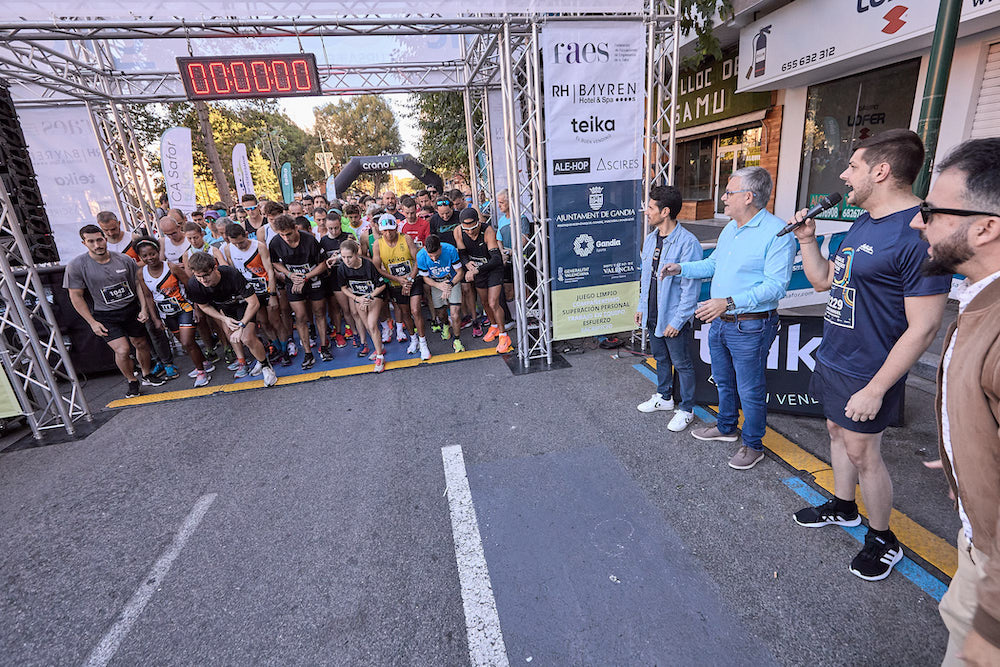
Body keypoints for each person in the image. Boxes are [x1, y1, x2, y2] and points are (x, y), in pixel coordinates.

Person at [790, 129, 951, 582]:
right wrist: (807, 240)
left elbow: (925, 327)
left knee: (864, 452)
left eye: (852, 166)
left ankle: (883, 539)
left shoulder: (917, 233)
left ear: (880, 171)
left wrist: (877, 388)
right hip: (835, 356)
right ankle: (844, 506)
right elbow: (824, 282)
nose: (844, 175)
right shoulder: (863, 222)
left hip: (870, 369)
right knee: (835, 432)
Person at [904, 138, 1000, 665]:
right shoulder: (978, 298)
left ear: (985, 227)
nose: (918, 223)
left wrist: (991, 629)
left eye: (932, 212)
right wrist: (966, 452)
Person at [661, 166, 795, 469]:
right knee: (723, 380)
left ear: (748, 197)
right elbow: (713, 265)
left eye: (729, 192)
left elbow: (776, 286)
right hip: (721, 320)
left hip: (751, 325)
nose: (723, 198)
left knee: (750, 389)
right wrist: (680, 268)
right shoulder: (731, 228)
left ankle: (753, 445)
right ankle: (726, 427)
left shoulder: (777, 233)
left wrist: (729, 302)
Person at [64, 225, 164, 398]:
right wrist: (92, 322)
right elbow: (76, 296)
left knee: (140, 343)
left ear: (105, 239)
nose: (97, 245)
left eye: (99, 240)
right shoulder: (77, 266)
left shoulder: (124, 259)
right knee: (123, 350)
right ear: (84, 243)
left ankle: (147, 374)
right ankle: (132, 380)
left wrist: (143, 309)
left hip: (130, 309)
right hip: (105, 314)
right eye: (91, 241)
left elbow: (138, 284)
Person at [635, 185, 702, 432]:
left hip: (673, 317)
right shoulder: (651, 239)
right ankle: (664, 397)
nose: (646, 211)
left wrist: (678, 320)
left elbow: (690, 289)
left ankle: (686, 409)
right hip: (653, 313)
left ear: (665, 212)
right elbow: (646, 278)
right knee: (660, 358)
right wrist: (642, 306)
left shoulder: (688, 243)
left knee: (682, 364)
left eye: (651, 207)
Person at [185, 251, 278, 387]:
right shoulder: (194, 284)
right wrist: (223, 318)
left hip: (244, 304)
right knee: (230, 334)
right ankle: (250, 359)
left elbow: (254, 303)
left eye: (206, 275)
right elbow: (204, 307)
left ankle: (266, 366)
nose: (203, 280)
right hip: (225, 308)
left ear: (215, 268)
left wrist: (242, 325)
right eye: (198, 276)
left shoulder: (231, 274)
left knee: (247, 338)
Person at [135, 238, 213, 387]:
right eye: (145, 256)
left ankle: (201, 372)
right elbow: (148, 297)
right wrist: (155, 319)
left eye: (152, 254)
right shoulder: (141, 273)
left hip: (185, 308)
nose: (150, 258)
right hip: (167, 314)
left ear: (158, 252)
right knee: (186, 344)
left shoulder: (171, 267)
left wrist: (197, 308)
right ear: (140, 257)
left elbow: (190, 286)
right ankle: (204, 362)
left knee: (187, 341)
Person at [268, 214, 332, 368]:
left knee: (319, 312)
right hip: (294, 282)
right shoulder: (275, 242)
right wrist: (289, 274)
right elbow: (275, 262)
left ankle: (324, 347)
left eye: (288, 234)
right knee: (300, 316)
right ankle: (308, 353)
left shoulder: (309, 240)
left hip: (313, 278)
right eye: (282, 235)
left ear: (296, 228)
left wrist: (305, 277)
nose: (286, 238)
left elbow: (323, 264)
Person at [223, 222, 285, 373]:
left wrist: (272, 294)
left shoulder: (259, 246)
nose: (239, 246)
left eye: (241, 242)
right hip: (249, 293)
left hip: (265, 289)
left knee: (275, 320)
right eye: (235, 243)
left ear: (246, 234)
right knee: (263, 322)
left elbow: (270, 271)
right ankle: (276, 347)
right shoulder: (228, 249)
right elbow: (234, 272)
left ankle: (285, 349)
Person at [454, 207, 512, 353]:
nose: (469, 232)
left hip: (493, 268)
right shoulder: (458, 231)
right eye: (466, 229)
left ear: (478, 223)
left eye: (472, 228)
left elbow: (496, 258)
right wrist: (467, 263)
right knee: (485, 302)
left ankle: (504, 335)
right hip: (477, 269)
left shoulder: (488, 231)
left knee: (493, 303)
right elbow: (462, 254)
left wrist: (476, 270)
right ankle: (494, 326)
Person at [371, 213, 429, 358]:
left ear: (396, 228)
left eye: (391, 230)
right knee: (405, 313)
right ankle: (413, 339)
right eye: (385, 231)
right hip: (396, 283)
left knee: (416, 310)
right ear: (380, 230)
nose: (388, 233)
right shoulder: (377, 244)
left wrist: (409, 280)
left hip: (412, 279)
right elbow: (377, 268)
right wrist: (397, 279)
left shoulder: (406, 238)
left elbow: (417, 259)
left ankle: (423, 343)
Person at [337, 238, 388, 372]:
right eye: (343, 257)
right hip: (359, 298)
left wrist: (369, 297)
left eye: (349, 257)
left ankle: (380, 357)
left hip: (374, 295)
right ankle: (379, 347)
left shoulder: (368, 265)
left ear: (356, 254)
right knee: (368, 327)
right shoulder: (342, 268)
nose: (346, 260)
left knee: (372, 325)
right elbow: (343, 288)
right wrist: (357, 298)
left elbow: (381, 285)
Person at [417, 234, 465, 354]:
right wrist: (439, 286)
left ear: (440, 248)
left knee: (455, 314)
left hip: (452, 280)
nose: (434, 259)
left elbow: (460, 273)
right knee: (441, 313)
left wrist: (450, 285)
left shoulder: (450, 250)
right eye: (430, 256)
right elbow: (425, 278)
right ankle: (445, 324)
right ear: (425, 249)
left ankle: (457, 340)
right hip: (436, 283)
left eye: (436, 255)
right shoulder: (421, 256)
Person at [319, 219, 358, 348]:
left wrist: (339, 256)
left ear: (340, 225)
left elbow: (358, 253)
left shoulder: (348, 236)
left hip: (352, 276)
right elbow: (322, 261)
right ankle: (352, 333)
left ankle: (360, 332)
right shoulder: (324, 241)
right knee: (344, 309)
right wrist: (328, 262)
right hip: (335, 278)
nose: (334, 231)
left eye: (336, 228)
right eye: (330, 228)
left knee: (355, 310)